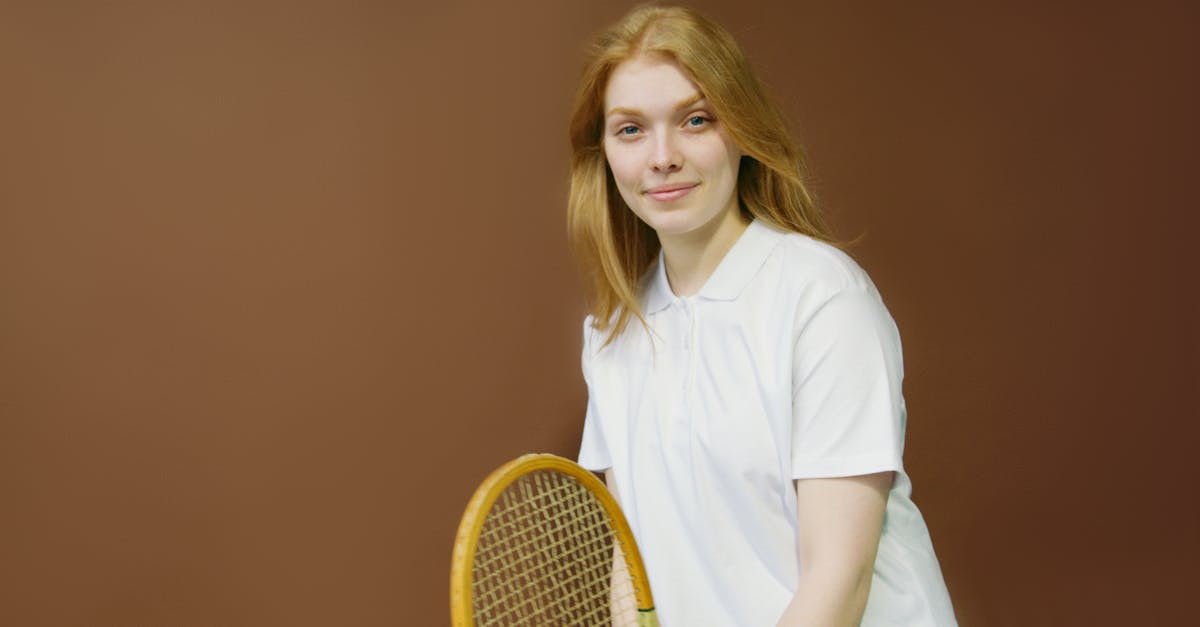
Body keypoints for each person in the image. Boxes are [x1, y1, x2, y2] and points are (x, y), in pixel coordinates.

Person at [568, 5, 958, 626]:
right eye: (631, 129)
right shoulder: (613, 335)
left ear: (742, 130)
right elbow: (631, 559)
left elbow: (838, 579)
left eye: (696, 120)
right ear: (605, 152)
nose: (662, 157)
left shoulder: (824, 301)